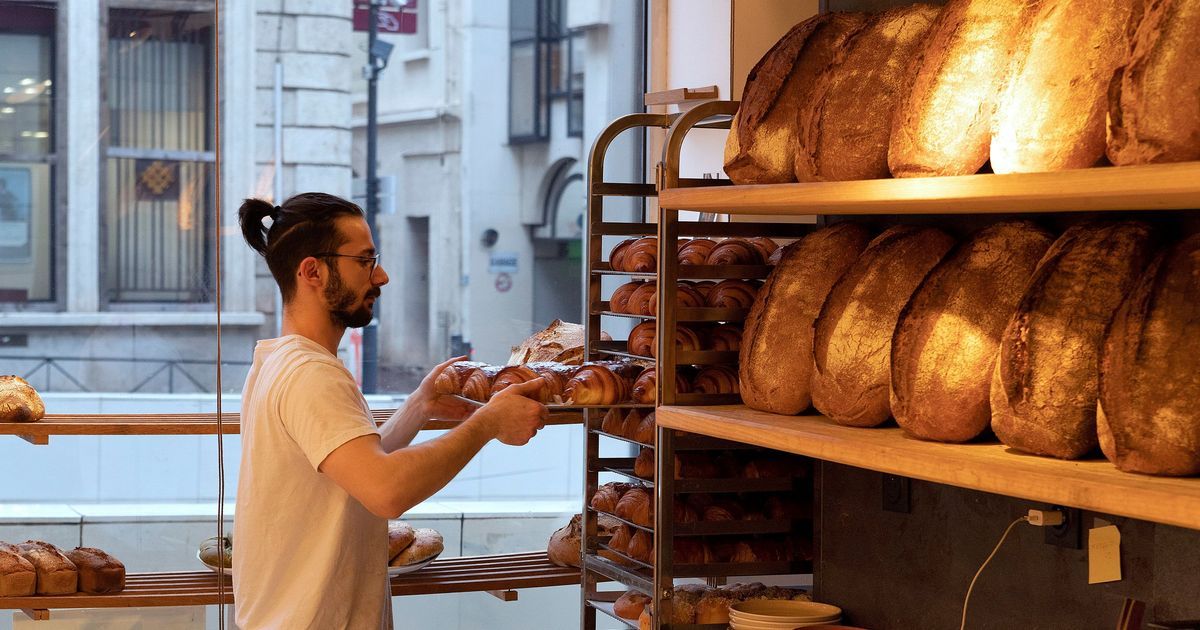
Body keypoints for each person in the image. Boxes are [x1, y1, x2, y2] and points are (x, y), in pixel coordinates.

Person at [232, 192, 547, 629]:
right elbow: (386, 491)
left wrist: (420, 405)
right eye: (364, 261)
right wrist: (487, 422)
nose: (381, 276)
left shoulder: (280, 360)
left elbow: (356, 470)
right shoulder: (312, 375)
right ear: (312, 272)